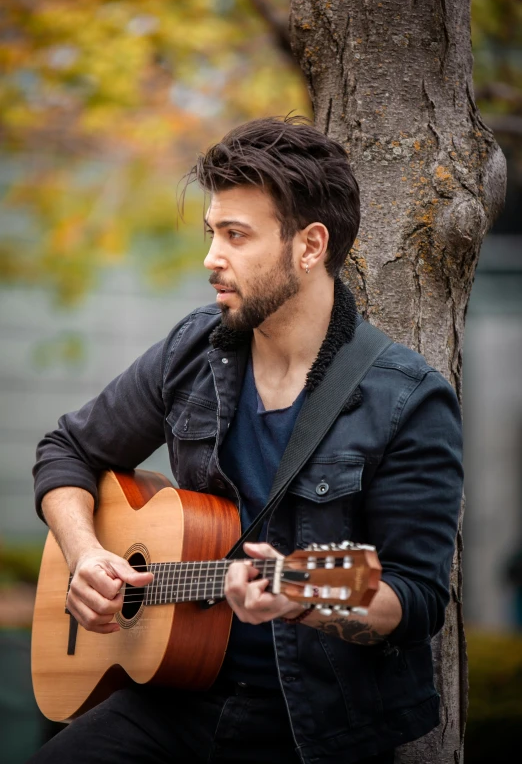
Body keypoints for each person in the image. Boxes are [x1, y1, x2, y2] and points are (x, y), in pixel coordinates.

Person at [30, 116, 463, 764]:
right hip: (169, 700)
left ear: (309, 245)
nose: (211, 258)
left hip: (311, 727)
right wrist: (87, 552)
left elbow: (416, 597)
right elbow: (67, 449)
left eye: (235, 235)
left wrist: (305, 598)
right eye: (212, 233)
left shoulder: (406, 399)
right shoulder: (192, 350)